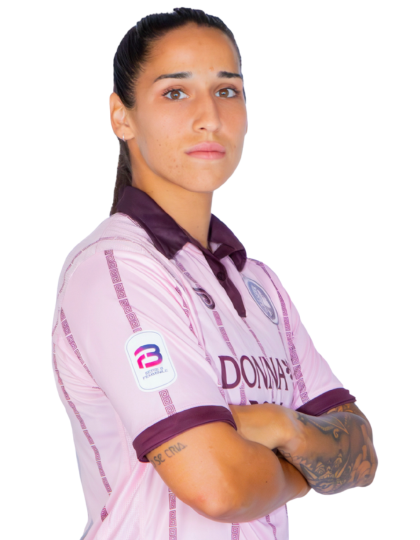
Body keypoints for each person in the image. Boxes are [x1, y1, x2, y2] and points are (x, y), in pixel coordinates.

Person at [51, 7, 378, 540]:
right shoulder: (115, 270)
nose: (209, 117)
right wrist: (306, 466)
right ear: (122, 117)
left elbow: (361, 455)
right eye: (175, 92)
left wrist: (279, 425)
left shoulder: (259, 283)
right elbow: (218, 486)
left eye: (227, 91)